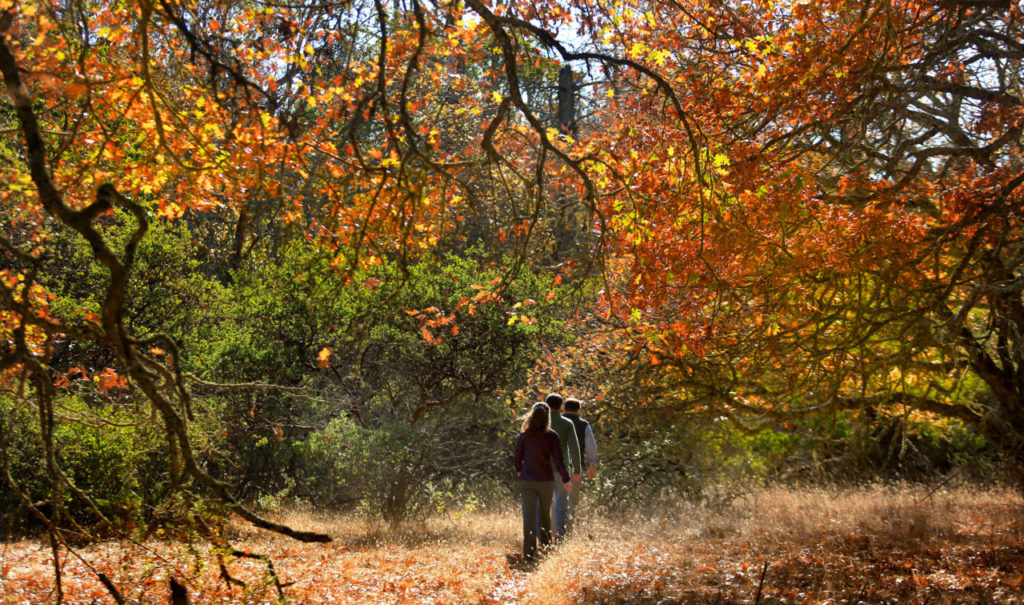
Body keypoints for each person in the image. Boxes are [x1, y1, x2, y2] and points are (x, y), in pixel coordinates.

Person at [514, 402, 573, 560]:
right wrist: (566, 479)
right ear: (548, 417)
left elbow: (517, 456)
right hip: (546, 480)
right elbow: (559, 461)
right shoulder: (552, 436)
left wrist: (519, 470)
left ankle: (529, 551)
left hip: (527, 480)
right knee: (545, 515)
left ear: (532, 415)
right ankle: (545, 547)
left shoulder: (525, 435)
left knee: (529, 515)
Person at [544, 393, 581, 540]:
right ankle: (560, 538)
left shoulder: (540, 423)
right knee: (561, 504)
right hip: (561, 470)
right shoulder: (567, 423)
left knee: (543, 505)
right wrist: (577, 470)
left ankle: (542, 537)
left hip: (542, 470)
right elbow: (574, 448)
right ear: (561, 407)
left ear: (547, 406)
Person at [563, 397, 598, 532]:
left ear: (564, 409)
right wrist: (592, 465)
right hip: (575, 468)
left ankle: (554, 529)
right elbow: (590, 446)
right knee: (572, 499)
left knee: (556, 497)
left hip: (555, 467)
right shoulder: (583, 424)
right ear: (578, 410)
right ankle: (568, 529)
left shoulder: (555, 422)